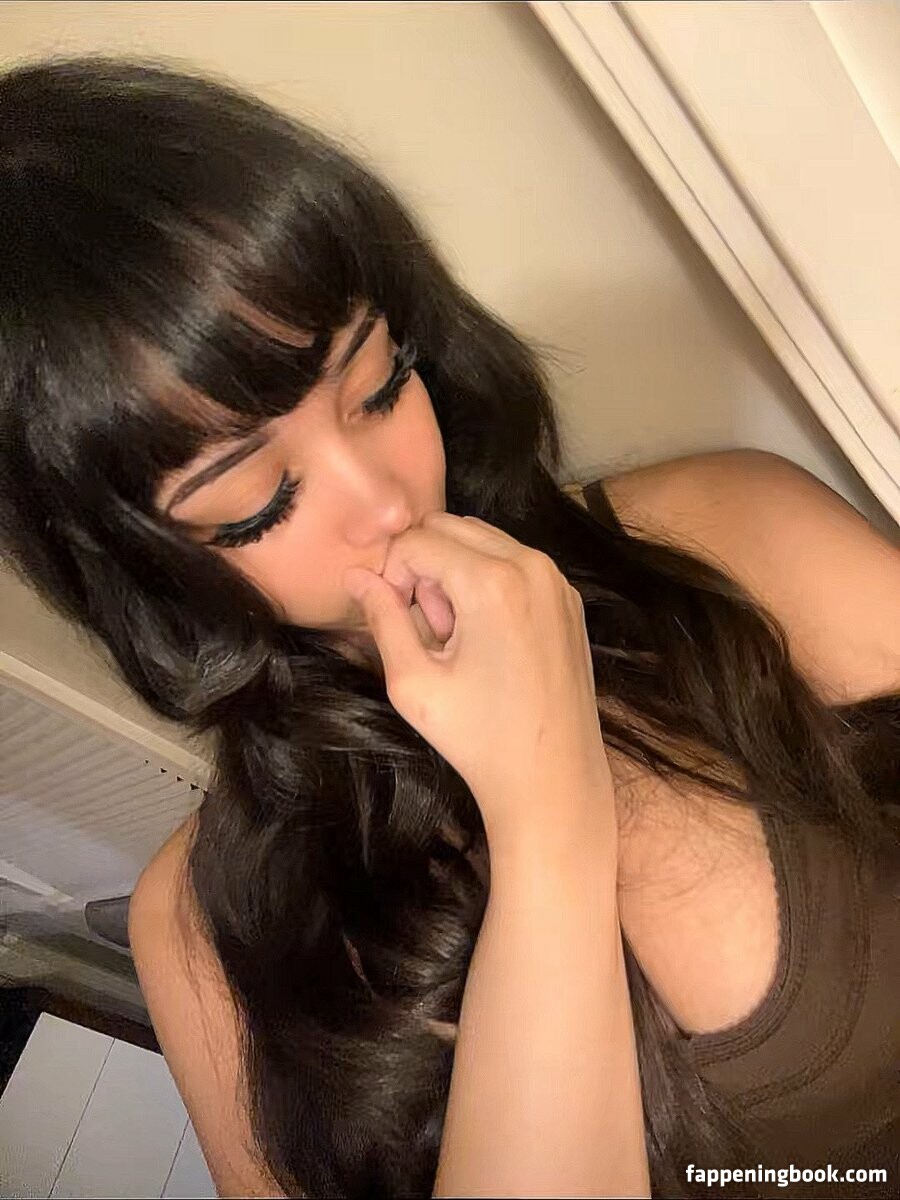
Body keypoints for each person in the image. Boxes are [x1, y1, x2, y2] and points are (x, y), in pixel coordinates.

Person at [0, 55, 897, 1200]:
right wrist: (546, 811)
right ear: (138, 567)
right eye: (257, 500)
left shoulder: (731, 534)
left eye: (377, 386)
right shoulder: (199, 930)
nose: (386, 499)